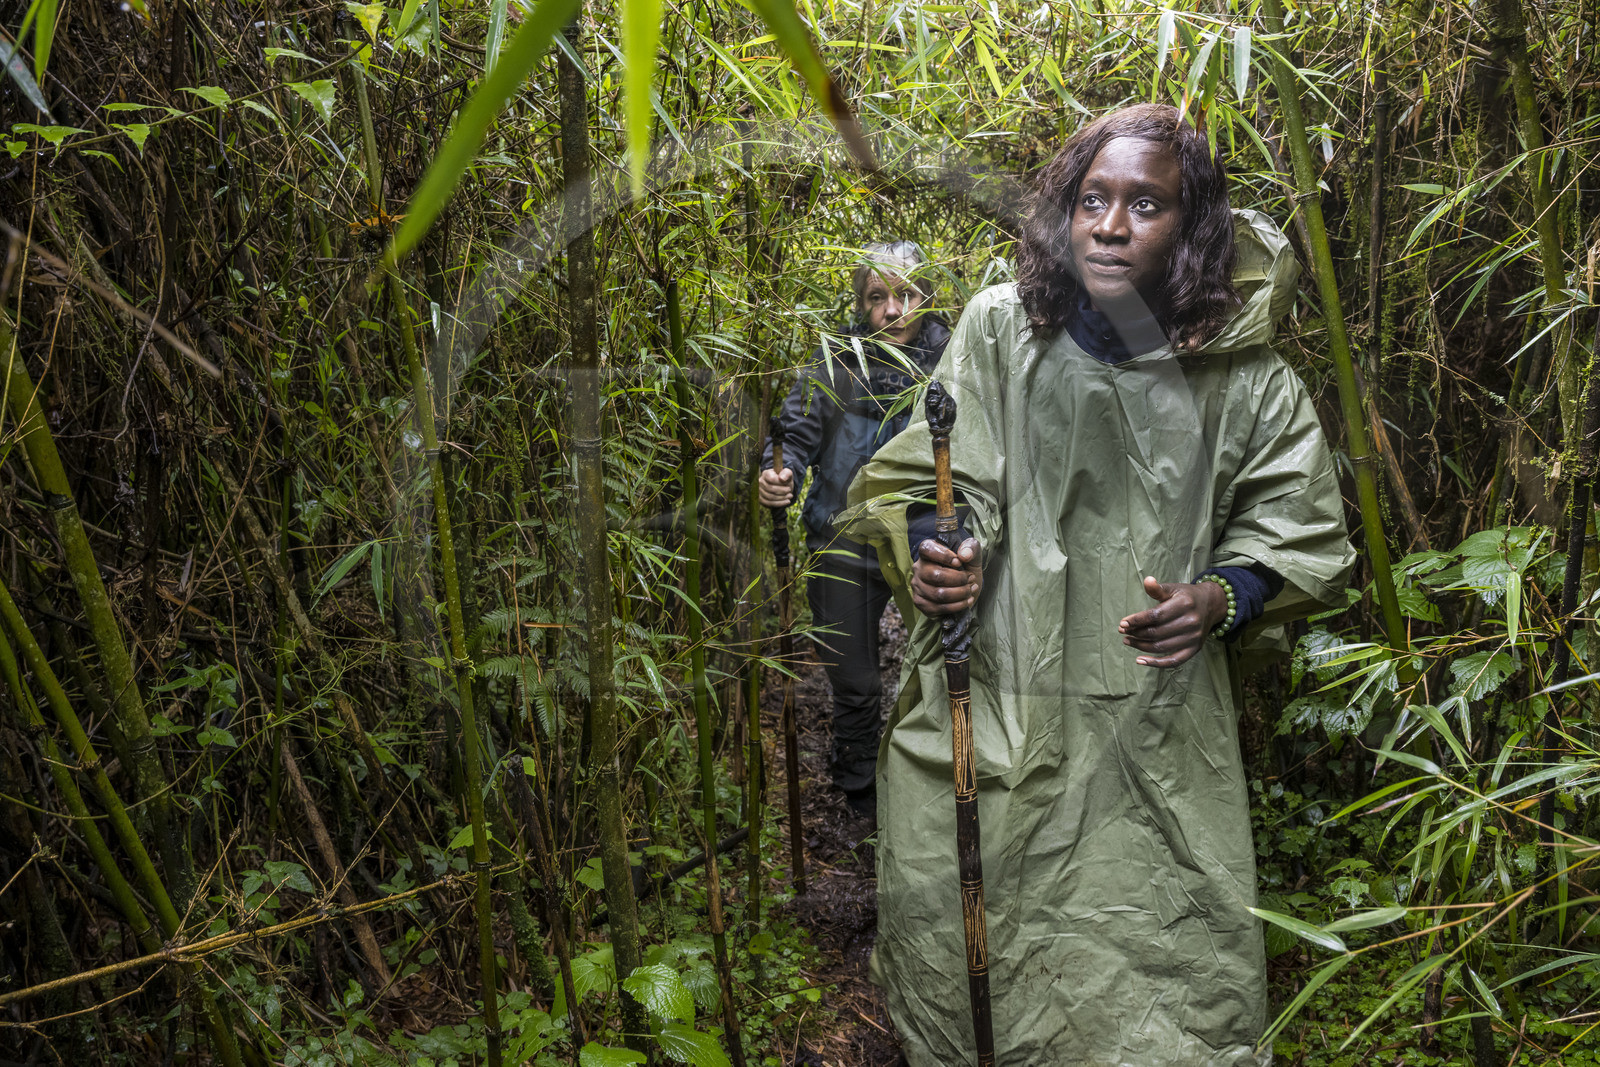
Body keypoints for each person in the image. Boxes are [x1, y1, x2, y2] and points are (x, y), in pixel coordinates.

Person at [839, 104, 1356, 1065]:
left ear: (1191, 225)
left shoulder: (1247, 375)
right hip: (1001, 683)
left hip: (1156, 720)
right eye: (1092, 200)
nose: (1110, 225)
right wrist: (940, 547)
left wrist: (1222, 596)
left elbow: (1299, 528)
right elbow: (943, 471)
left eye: (1145, 204)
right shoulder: (1003, 329)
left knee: (1157, 945)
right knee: (984, 923)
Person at [760, 241, 951, 820]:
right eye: (877, 298)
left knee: (946, 665)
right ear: (861, 304)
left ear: (927, 298)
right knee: (856, 678)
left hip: (925, 538)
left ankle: (943, 777)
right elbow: (793, 434)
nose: (892, 311)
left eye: (906, 295)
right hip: (842, 536)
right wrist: (779, 473)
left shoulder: (955, 360)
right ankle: (859, 791)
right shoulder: (836, 362)